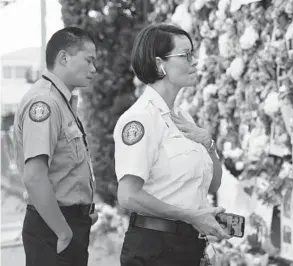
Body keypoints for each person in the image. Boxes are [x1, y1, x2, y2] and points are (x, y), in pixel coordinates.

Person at [114, 24, 231, 266]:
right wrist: (191, 216)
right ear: (160, 64)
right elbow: (128, 196)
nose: (195, 61)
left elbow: (213, 185)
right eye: (186, 55)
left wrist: (209, 144)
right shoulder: (140, 119)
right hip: (155, 249)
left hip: (189, 246)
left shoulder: (183, 118)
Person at [13, 27, 98, 266]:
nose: (94, 69)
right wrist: (64, 231)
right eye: (89, 60)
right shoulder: (45, 102)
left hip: (67, 223)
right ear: (63, 58)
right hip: (53, 230)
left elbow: (65, 170)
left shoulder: (62, 101)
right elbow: (34, 176)